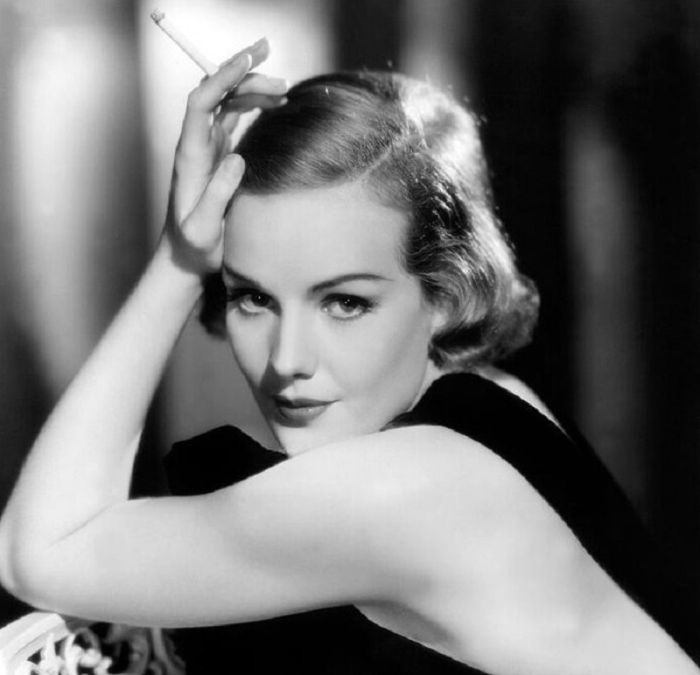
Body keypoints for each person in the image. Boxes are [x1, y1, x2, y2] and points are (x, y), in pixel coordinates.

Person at [0, 39, 698, 675]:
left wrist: (177, 263)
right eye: (252, 298)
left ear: (445, 295)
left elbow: (38, 552)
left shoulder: (408, 492)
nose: (287, 360)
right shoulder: (494, 400)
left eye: (345, 303)